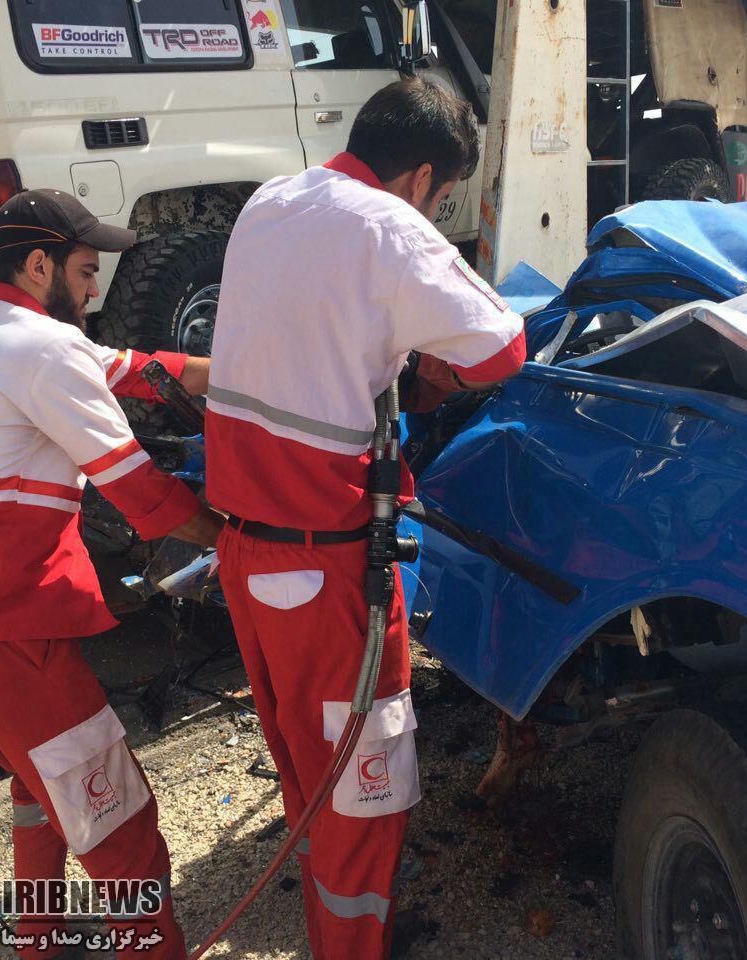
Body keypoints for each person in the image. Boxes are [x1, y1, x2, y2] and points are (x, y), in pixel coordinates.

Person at [205, 79, 526, 958]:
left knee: (310, 771)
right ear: (422, 177)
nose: (441, 210)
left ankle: (336, 919)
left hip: (247, 553)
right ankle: (352, 944)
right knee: (366, 788)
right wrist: (430, 366)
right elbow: (504, 347)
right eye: (447, 196)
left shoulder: (277, 197)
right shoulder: (390, 225)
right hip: (324, 570)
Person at [0, 188, 222, 959]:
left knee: (41, 789)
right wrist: (237, 538)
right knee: (123, 828)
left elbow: (132, 367)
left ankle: (37, 940)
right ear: (41, 265)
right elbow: (145, 497)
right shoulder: (44, 348)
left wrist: (231, 369)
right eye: (85, 267)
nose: (97, 285)